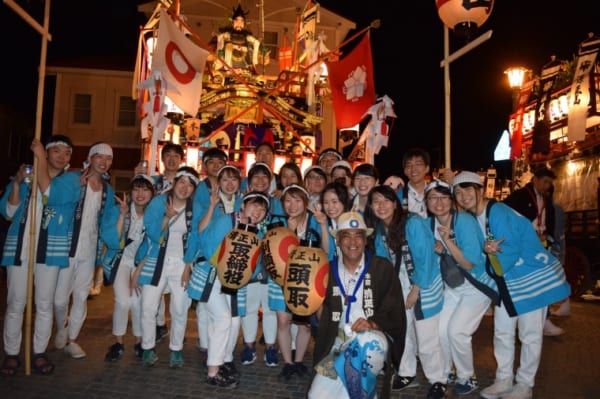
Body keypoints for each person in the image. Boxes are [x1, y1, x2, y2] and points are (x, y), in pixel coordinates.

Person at [452, 171, 571, 399]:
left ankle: (525, 384)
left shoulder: (497, 211)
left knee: (530, 334)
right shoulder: (473, 216)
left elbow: (510, 250)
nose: (463, 195)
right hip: (507, 282)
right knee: (503, 332)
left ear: (480, 189)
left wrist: (487, 267)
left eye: (468, 189)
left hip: (530, 277)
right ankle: (503, 379)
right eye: (458, 191)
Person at [0, 135, 79, 376]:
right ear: (47, 153)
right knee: (15, 303)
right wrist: (16, 183)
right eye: (56, 151)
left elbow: (50, 194)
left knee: (44, 304)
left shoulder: (72, 181)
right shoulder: (26, 177)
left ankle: (38, 351)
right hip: (21, 247)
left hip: (50, 249)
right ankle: (12, 353)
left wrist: (39, 159)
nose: (62, 157)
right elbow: (8, 211)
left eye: (66, 153)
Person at [308, 211, 406, 399]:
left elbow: (394, 308)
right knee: (316, 396)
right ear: (337, 241)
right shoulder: (326, 270)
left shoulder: (381, 267)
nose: (352, 242)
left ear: (366, 240)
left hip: (373, 341)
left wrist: (372, 323)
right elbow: (321, 318)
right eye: (346, 236)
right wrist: (314, 304)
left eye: (358, 236)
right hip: (339, 343)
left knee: (365, 342)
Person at [363, 185, 446, 398]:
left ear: (395, 203)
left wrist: (415, 290)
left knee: (426, 336)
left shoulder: (413, 223)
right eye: (376, 202)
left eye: (386, 200)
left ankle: (438, 379)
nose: (381, 206)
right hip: (400, 286)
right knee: (403, 330)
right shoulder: (380, 229)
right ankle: (407, 372)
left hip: (423, 284)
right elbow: (385, 263)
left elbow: (425, 259)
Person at [183, 191, 270, 388]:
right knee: (222, 318)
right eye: (253, 205)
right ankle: (213, 370)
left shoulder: (259, 233)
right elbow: (206, 244)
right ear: (243, 206)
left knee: (234, 319)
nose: (257, 211)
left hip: (235, 282)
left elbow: (255, 265)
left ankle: (223, 360)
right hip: (212, 275)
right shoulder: (226, 221)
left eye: (262, 209)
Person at [425, 180, 498, 396]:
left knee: (457, 331)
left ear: (451, 200)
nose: (439, 203)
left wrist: (448, 243)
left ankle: (468, 377)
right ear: (426, 202)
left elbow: (470, 263)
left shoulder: (463, 221)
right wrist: (441, 251)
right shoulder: (430, 225)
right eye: (433, 198)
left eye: (444, 197)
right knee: (440, 329)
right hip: (454, 286)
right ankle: (447, 371)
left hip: (476, 286)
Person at [54, 142, 117, 359]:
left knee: (81, 296)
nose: (103, 162)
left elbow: (107, 222)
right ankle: (62, 326)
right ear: (90, 158)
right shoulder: (72, 179)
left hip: (90, 250)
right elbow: (53, 202)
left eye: (108, 158)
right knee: (59, 299)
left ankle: (72, 340)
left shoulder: (109, 190)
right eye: (99, 156)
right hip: (66, 247)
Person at [134, 166, 199, 368]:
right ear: (174, 182)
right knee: (148, 307)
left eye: (190, 185)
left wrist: (188, 266)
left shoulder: (195, 208)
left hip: (181, 263)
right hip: (156, 260)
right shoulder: (158, 202)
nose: (185, 188)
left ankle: (176, 349)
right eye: (182, 182)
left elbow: (196, 239)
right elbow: (152, 233)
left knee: (180, 308)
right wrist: (166, 217)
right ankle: (147, 347)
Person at [270, 184, 330, 381]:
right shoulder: (277, 222)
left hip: (307, 280)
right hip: (281, 279)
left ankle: (298, 361)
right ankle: (287, 363)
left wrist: (322, 225)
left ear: (305, 202)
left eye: (297, 200)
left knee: (304, 324)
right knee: (283, 321)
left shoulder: (315, 220)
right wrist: (290, 232)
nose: (292, 205)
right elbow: (275, 253)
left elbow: (327, 251)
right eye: (288, 200)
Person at [135, 142, 186, 345]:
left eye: (176, 155)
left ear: (181, 160)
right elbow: (137, 196)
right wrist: (136, 176)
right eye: (168, 155)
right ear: (162, 159)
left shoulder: (187, 185)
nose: (172, 159)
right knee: (151, 290)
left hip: (176, 247)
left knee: (172, 293)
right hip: (151, 238)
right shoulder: (152, 182)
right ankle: (157, 326)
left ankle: (164, 328)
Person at [503, 167, 564, 336]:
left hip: (542, 245)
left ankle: (544, 319)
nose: (546, 186)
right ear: (535, 179)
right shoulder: (520, 195)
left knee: (543, 282)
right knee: (525, 283)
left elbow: (548, 220)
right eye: (544, 182)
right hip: (524, 247)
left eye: (549, 183)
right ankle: (526, 320)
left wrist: (547, 233)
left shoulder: (546, 198)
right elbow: (504, 213)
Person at [101, 174, 155, 362]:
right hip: (120, 260)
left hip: (141, 263)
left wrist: (138, 271)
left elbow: (153, 245)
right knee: (124, 301)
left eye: (145, 189)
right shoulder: (118, 210)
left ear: (152, 193)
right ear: (130, 192)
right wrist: (123, 215)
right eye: (136, 189)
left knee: (139, 302)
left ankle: (139, 342)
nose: (140, 194)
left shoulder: (154, 215)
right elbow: (112, 240)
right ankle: (119, 342)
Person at [213, 3, 261, 75]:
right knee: (228, 45)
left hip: (244, 70)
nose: (239, 24)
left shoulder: (248, 38)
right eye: (237, 21)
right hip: (229, 69)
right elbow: (219, 48)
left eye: (241, 21)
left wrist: (254, 61)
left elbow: (257, 43)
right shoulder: (226, 35)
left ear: (244, 24)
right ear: (232, 23)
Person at [398, 148, 431, 218]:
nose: (413, 169)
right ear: (405, 171)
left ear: (427, 168)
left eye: (418, 164)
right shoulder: (398, 196)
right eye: (409, 165)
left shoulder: (436, 193)